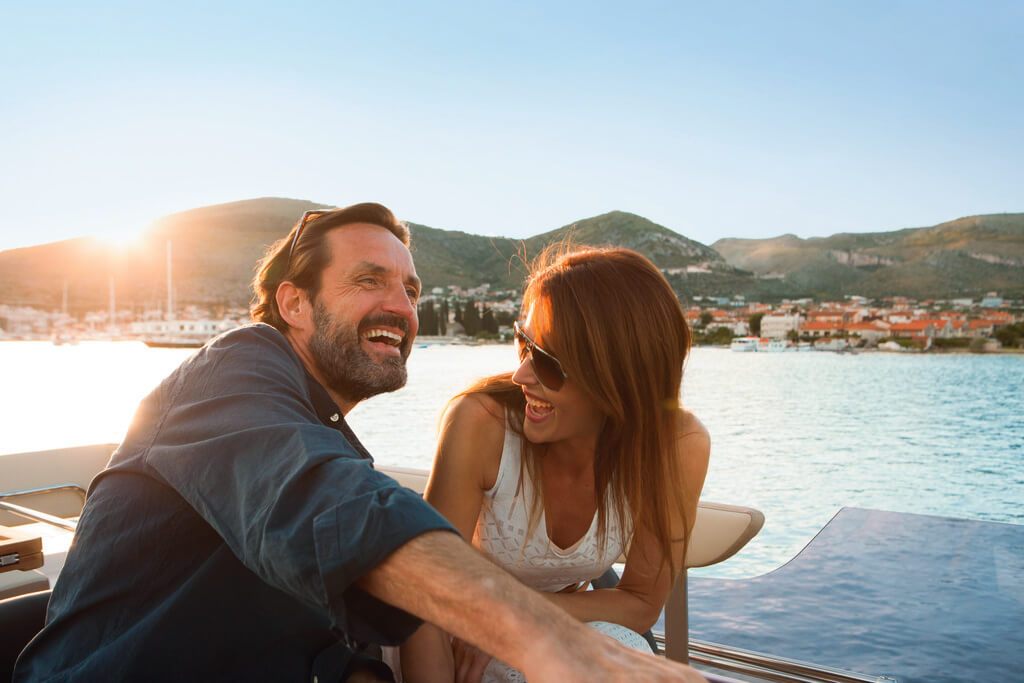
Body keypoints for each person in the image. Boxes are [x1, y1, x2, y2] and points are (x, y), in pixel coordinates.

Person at [13, 203, 709, 683]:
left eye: (411, 289)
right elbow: (324, 506)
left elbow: (301, 607)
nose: (400, 306)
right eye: (368, 280)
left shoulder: (330, 436)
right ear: (293, 303)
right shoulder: (233, 375)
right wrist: (543, 637)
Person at [401, 245, 710, 683]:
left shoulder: (678, 445)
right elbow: (426, 592)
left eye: (546, 362)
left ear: (617, 379)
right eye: (522, 343)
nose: (521, 375)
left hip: (540, 623)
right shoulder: (481, 423)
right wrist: (482, 618)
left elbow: (641, 602)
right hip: (450, 637)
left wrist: (509, 613)